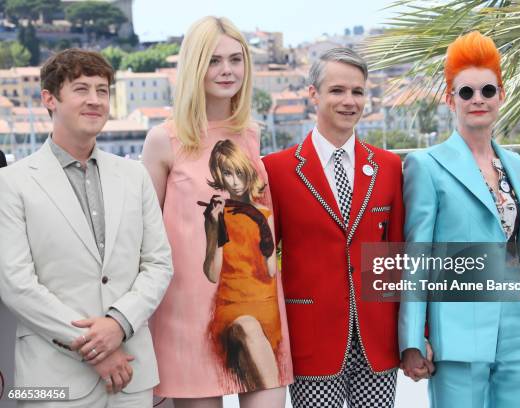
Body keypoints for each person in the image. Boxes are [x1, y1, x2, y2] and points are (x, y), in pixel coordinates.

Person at [0, 49, 173, 407]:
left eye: (103, 90)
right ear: (49, 98)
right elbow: (16, 283)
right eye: (81, 89)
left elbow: (158, 264)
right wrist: (96, 347)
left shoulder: (135, 176)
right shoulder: (10, 182)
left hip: (132, 373)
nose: (95, 100)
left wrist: (118, 325)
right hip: (50, 380)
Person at [142, 16, 292, 408]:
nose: (227, 70)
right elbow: (144, 235)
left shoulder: (251, 133)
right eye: (213, 60)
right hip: (187, 316)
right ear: (194, 67)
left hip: (260, 303)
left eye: (235, 59)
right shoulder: (164, 140)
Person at [399, 31, 520, 408]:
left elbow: (519, 241)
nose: (478, 100)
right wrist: (413, 339)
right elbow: (417, 256)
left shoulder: (516, 165)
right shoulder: (426, 164)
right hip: (459, 328)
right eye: (466, 92)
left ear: (502, 95)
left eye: (487, 90)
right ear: (450, 99)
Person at [262, 48, 404, 408]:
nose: (349, 101)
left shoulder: (388, 167)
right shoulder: (276, 170)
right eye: (337, 90)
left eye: (358, 91)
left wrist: (415, 335)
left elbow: (399, 257)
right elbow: (262, 262)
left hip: (378, 340)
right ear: (313, 94)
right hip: (310, 336)